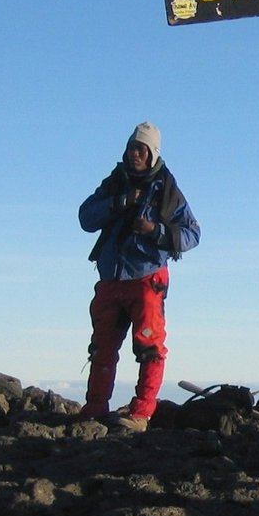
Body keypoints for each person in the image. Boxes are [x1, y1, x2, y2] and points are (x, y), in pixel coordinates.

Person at [78, 122, 200, 431]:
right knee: (102, 347)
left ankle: (142, 413)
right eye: (133, 147)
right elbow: (86, 217)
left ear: (152, 153)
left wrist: (156, 231)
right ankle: (95, 409)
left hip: (147, 279)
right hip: (111, 279)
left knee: (149, 347)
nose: (135, 154)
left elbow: (192, 234)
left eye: (141, 149)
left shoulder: (167, 190)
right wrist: (119, 203)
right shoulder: (115, 182)